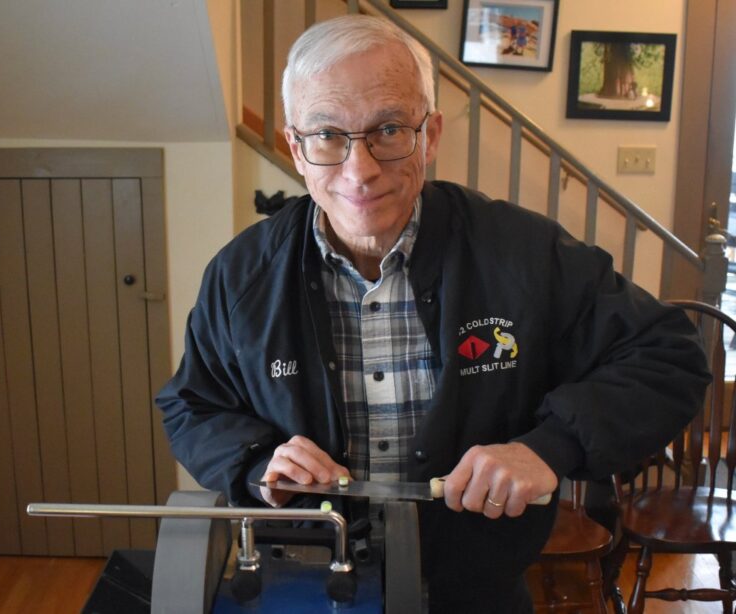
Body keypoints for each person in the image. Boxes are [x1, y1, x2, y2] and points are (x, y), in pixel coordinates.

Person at [156, 14, 709, 613]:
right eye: (328, 135)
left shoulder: (523, 253)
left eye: (390, 129)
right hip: (302, 584)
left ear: (432, 134)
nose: (360, 170)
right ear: (296, 148)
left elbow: (668, 356)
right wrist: (258, 461)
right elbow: (192, 404)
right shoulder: (241, 276)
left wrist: (550, 447)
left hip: (476, 590)